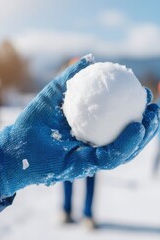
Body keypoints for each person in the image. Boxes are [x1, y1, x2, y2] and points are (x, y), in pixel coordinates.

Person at [0, 55, 160, 239]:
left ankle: (87, 213)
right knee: (68, 174)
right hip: (73, 137)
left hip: (96, 142)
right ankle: (66, 210)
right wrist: (5, 159)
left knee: (88, 172)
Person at [60, 58, 96, 229]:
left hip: (90, 142)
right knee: (68, 179)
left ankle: (87, 214)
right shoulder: (63, 92)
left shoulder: (93, 90)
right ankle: (66, 211)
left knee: (89, 179)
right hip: (69, 145)